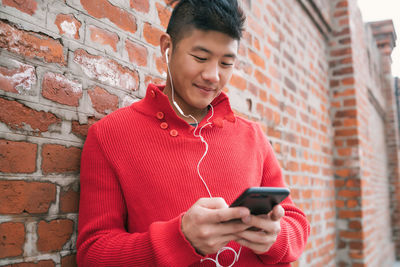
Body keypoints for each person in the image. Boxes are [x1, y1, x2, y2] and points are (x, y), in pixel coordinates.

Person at [76, 0, 310, 266]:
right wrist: (180, 239)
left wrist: (276, 238)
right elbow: (93, 254)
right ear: (167, 48)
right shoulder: (110, 136)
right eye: (200, 57)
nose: (213, 75)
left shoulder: (252, 136)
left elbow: (295, 222)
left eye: (226, 63)